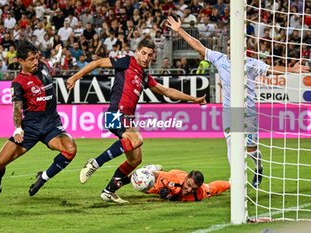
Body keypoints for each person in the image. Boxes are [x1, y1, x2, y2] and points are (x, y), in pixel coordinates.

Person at [166, 16, 310, 187]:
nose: (230, 47)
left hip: (248, 110)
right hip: (230, 110)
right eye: (228, 45)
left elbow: (271, 70)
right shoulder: (219, 59)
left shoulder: (250, 63)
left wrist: (291, 69)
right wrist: (180, 31)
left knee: (251, 149)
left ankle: (258, 167)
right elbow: (198, 46)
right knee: (231, 141)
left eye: (233, 45)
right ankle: (235, 177)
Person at [66, 38, 206, 203]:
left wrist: (193, 99)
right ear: (137, 52)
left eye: (150, 55)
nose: (146, 58)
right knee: (137, 140)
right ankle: (94, 164)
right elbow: (97, 63)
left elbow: (167, 91)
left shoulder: (144, 76)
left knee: (135, 159)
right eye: (144, 53)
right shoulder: (126, 62)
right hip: (115, 113)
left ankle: (109, 191)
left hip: (127, 118)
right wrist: (75, 77)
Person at [0, 40, 77, 206]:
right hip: (31, 127)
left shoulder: (43, 66)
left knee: (70, 149)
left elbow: (54, 59)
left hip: (51, 124)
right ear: (20, 61)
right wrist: (18, 129)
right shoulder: (18, 83)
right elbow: (17, 108)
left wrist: (59, 51)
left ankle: (42, 178)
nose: (35, 62)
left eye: (36, 58)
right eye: (31, 59)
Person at [138, 165, 230, 202]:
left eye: (194, 189)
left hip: (175, 186)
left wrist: (169, 196)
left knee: (210, 189)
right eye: (189, 185)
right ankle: (154, 167)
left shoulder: (198, 194)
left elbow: (180, 199)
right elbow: (154, 175)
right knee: (145, 188)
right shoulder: (172, 178)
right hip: (174, 176)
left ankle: (231, 183)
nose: (189, 190)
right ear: (186, 179)